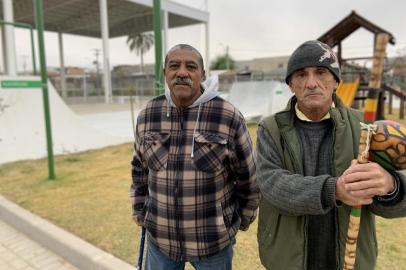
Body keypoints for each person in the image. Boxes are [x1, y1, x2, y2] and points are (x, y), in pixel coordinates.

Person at [256, 40, 406, 270]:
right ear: (291, 84)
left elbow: (397, 201)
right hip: (287, 260)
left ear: (336, 81)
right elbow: (273, 185)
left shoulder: (365, 128)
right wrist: (334, 190)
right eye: (301, 75)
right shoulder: (271, 128)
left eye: (321, 72)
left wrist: (389, 186)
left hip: (350, 258)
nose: (312, 83)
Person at [130, 44, 259, 270]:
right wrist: (140, 210)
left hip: (213, 245)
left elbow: (249, 178)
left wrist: (237, 222)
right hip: (160, 242)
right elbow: (139, 171)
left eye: (190, 66)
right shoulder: (148, 115)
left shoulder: (227, 115)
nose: (182, 72)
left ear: (202, 74)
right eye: (174, 66)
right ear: (165, 73)